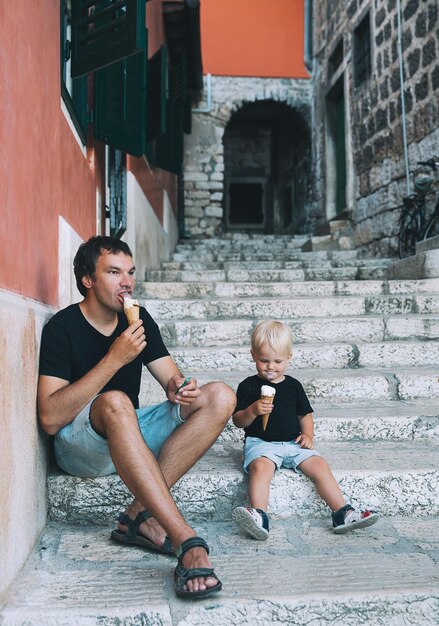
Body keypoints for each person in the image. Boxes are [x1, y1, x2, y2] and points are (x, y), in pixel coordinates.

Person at [37, 235, 236, 599]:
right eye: (113, 272)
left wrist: (180, 386)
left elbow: (171, 378)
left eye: (130, 272)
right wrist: (114, 359)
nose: (126, 282)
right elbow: (50, 417)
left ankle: (135, 516)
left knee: (220, 396)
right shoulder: (62, 328)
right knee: (114, 401)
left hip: (128, 432)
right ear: (88, 279)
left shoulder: (138, 318)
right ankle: (186, 541)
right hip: (79, 445)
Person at [231, 320, 379, 540]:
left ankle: (342, 512)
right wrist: (252, 410)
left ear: (289, 358)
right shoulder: (248, 386)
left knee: (320, 464)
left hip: (293, 443)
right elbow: (238, 421)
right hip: (261, 443)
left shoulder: (293, 386)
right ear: (253, 356)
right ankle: (259, 515)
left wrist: (308, 435)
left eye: (277, 361)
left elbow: (305, 415)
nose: (270, 366)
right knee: (260, 468)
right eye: (264, 360)